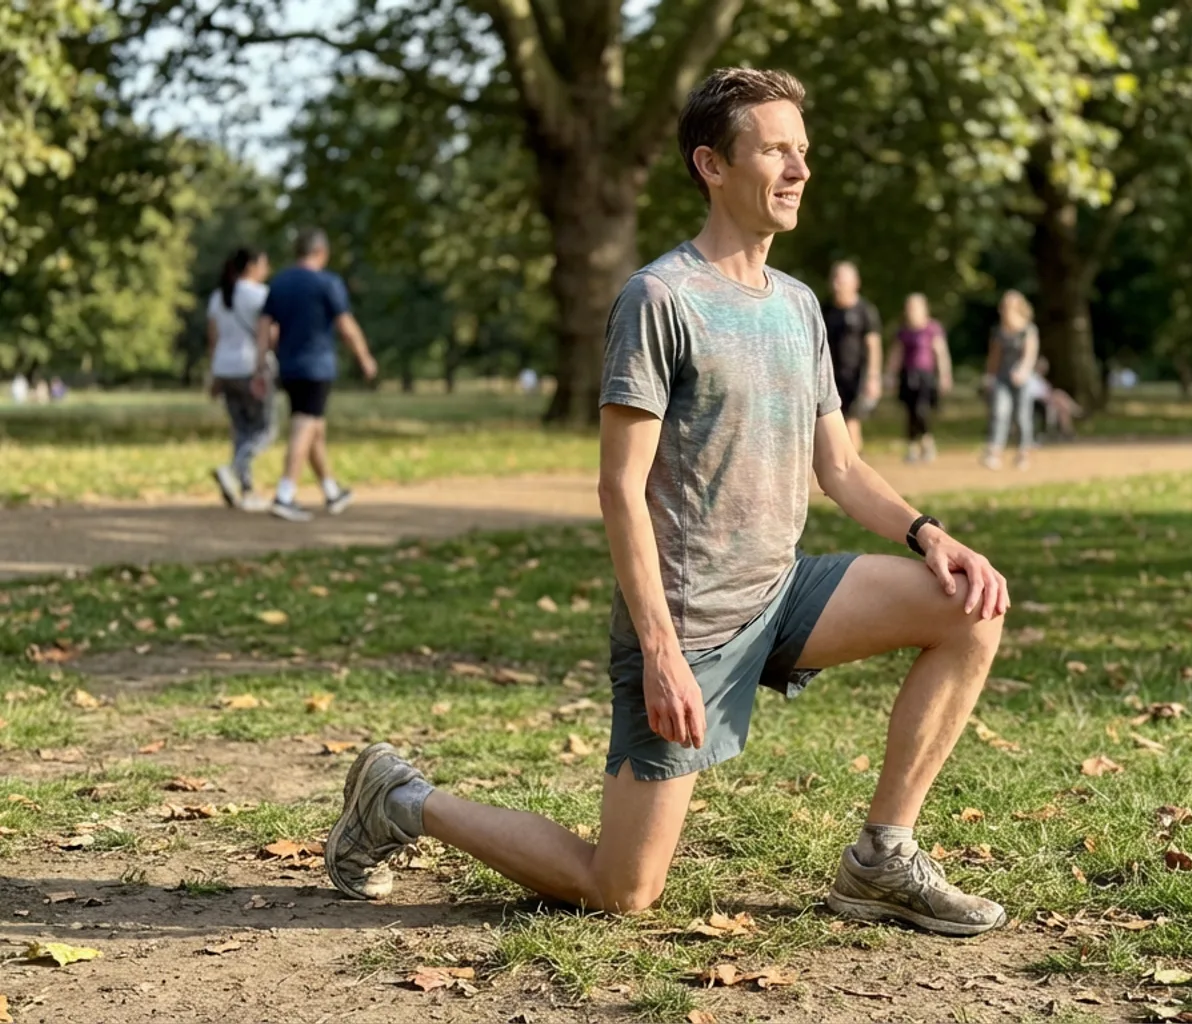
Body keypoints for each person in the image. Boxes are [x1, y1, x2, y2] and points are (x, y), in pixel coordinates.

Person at [323, 67, 1013, 938]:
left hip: (782, 593)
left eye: (803, 152)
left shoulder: (800, 307)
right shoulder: (661, 299)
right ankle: (401, 798)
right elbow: (619, 487)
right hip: (688, 624)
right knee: (623, 891)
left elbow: (838, 467)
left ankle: (882, 858)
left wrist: (929, 535)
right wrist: (659, 651)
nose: (799, 170)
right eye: (775, 151)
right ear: (712, 165)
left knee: (969, 609)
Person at [255, 229, 378, 522]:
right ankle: (285, 494)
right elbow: (346, 325)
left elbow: (264, 326)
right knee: (304, 426)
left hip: (289, 365)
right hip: (317, 365)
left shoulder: (280, 283)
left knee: (314, 430)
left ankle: (331, 490)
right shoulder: (327, 283)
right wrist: (364, 357)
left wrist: (260, 362)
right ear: (322, 252)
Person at [207, 247, 275, 511]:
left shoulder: (219, 296)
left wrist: (213, 374)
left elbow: (212, 338)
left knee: (241, 430)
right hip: (251, 367)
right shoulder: (261, 295)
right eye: (264, 264)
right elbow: (270, 334)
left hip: (225, 368)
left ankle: (247, 491)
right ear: (253, 265)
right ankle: (233, 470)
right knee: (265, 430)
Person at [821, 262, 883, 453]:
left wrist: (873, 377)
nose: (837, 285)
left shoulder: (865, 311)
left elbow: (874, 345)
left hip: (857, 376)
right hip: (830, 376)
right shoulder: (825, 310)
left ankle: (854, 463)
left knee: (852, 421)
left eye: (842, 280)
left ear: (855, 283)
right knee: (831, 421)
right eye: (835, 279)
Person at [887, 293, 951, 462]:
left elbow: (941, 353)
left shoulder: (932, 329)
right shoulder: (903, 331)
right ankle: (913, 447)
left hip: (926, 377)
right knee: (910, 412)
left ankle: (927, 442)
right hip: (908, 376)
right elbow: (896, 355)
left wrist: (944, 375)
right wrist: (890, 375)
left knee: (922, 410)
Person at [981, 290, 1040, 470]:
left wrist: (1022, 371)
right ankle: (994, 451)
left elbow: (1030, 355)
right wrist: (989, 376)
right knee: (1000, 412)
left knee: (1022, 416)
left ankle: (1023, 452)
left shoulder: (1028, 330)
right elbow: (994, 356)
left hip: (1022, 379)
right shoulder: (999, 331)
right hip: (1002, 378)